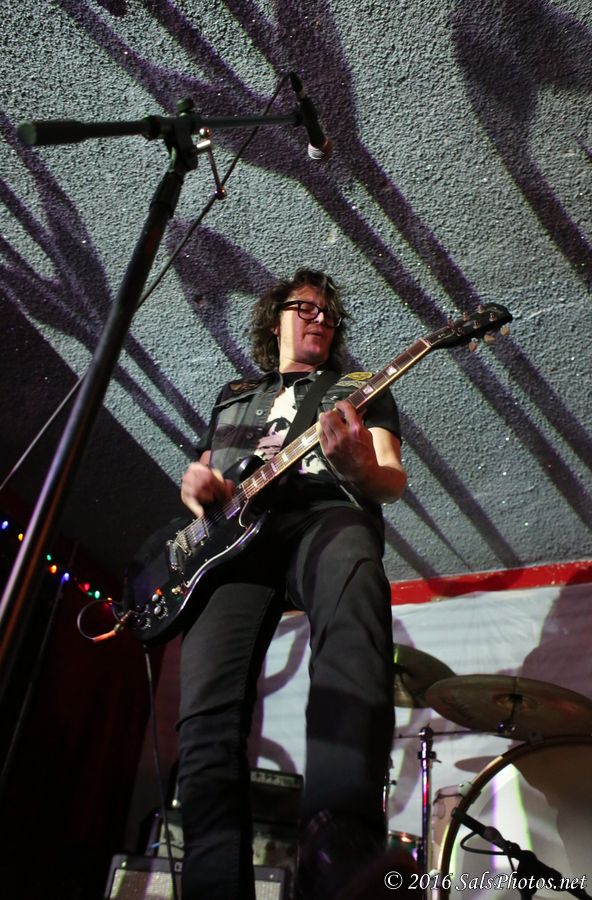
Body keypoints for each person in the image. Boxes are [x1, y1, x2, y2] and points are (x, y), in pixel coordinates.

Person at [177, 268, 407, 899]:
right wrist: (197, 487)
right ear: (275, 316)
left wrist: (357, 466)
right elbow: (203, 477)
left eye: (330, 313)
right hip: (231, 545)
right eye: (306, 308)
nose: (320, 319)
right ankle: (211, 880)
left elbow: (391, 478)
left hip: (325, 510)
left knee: (355, 597)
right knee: (205, 706)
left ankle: (340, 835)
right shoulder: (232, 394)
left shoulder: (357, 388)